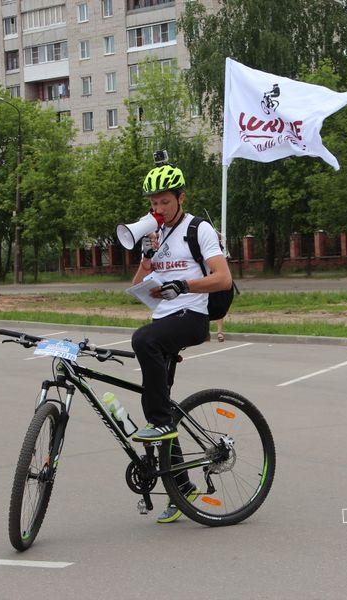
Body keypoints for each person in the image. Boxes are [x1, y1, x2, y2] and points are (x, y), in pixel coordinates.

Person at [129, 164, 233, 522]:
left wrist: (183, 286)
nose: (159, 207)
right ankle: (182, 489)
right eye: (154, 202)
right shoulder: (156, 234)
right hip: (166, 320)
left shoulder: (198, 229)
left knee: (142, 340)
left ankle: (160, 422)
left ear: (181, 198)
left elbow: (222, 278)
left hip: (193, 317)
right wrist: (146, 256)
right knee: (158, 408)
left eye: (165, 201)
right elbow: (137, 283)